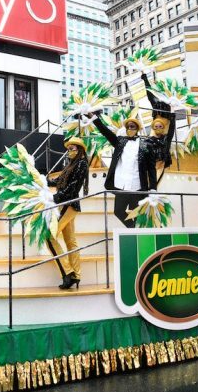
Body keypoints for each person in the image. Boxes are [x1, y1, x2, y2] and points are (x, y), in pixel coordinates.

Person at [93, 114, 157, 227]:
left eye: (133, 127)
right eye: (128, 127)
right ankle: (132, 229)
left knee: (136, 214)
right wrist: (93, 117)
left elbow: (151, 168)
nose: (130, 129)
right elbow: (105, 132)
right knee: (118, 211)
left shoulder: (146, 145)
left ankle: (136, 235)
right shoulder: (120, 142)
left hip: (137, 186)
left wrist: (153, 188)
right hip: (121, 185)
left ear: (137, 129)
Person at [46, 138, 89, 290]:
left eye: (73, 149)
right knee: (71, 241)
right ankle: (76, 275)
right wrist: (40, 180)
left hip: (68, 203)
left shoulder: (82, 163)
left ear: (80, 150)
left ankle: (68, 273)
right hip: (66, 204)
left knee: (49, 236)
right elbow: (58, 181)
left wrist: (55, 197)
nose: (70, 151)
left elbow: (72, 187)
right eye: (68, 149)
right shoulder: (70, 165)